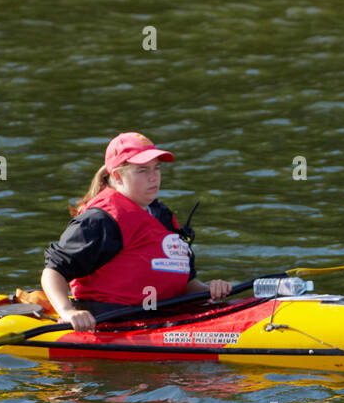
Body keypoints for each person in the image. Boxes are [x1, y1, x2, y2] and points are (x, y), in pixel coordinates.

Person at [40, 132, 233, 332]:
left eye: (157, 168)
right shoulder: (101, 220)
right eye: (142, 170)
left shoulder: (161, 215)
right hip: (115, 322)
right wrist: (67, 311)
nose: (153, 176)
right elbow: (53, 272)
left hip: (166, 316)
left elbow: (183, 282)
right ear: (117, 176)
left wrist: (210, 290)